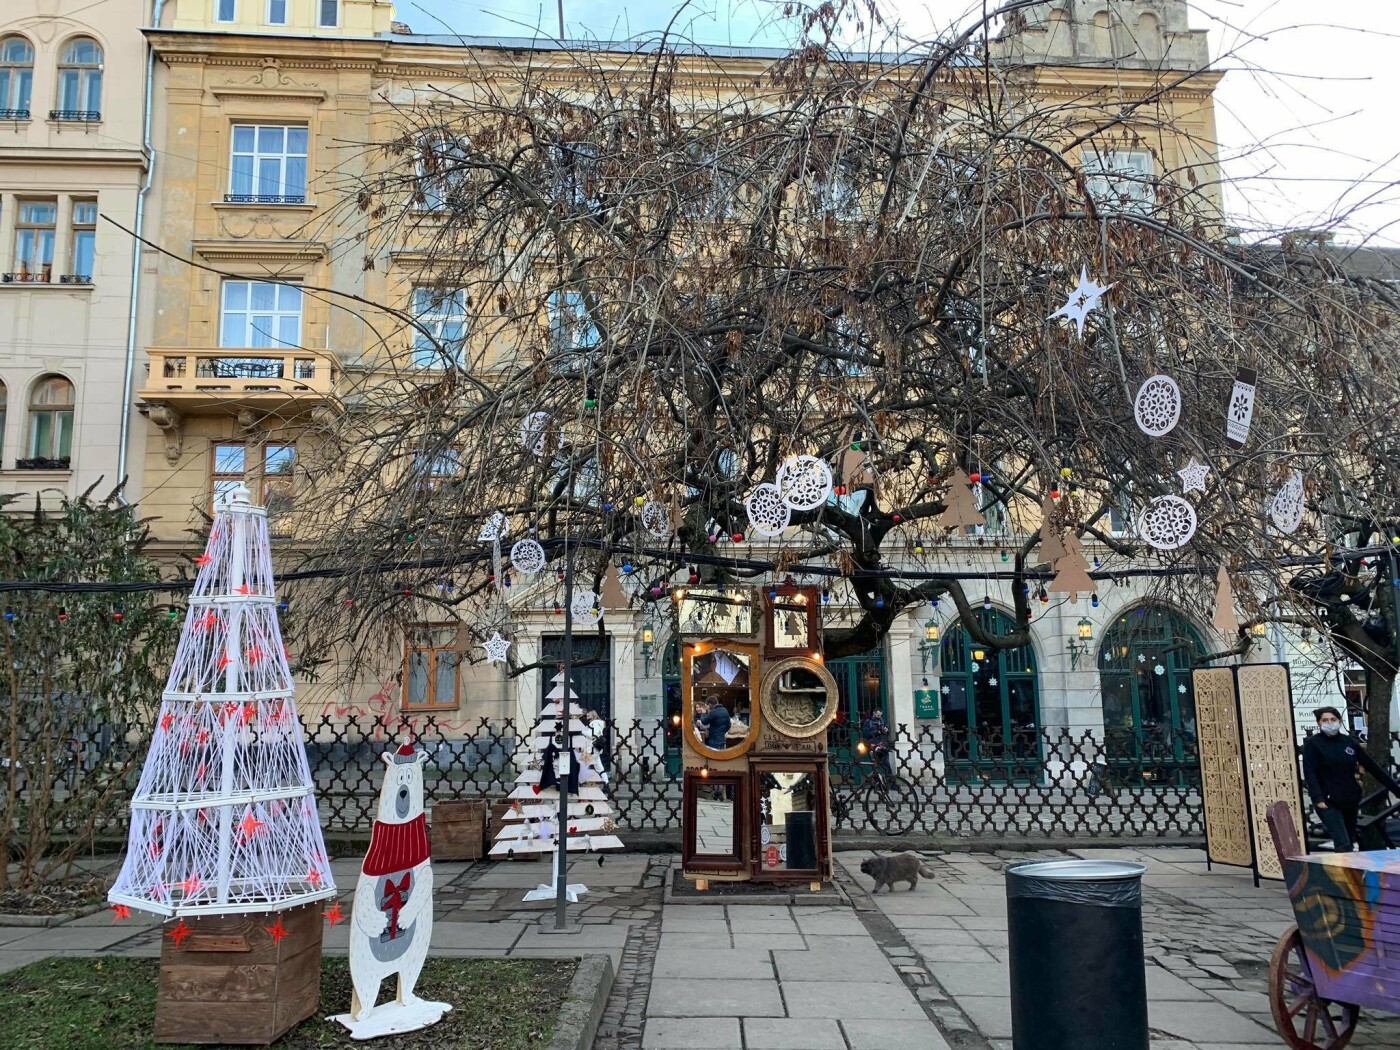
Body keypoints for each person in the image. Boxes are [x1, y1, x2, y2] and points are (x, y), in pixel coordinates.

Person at [1302, 705, 1400, 852]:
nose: (1330, 723)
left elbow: (1372, 767)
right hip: (1327, 800)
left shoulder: (1348, 742)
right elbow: (1310, 772)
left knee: (1349, 838)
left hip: (1349, 798)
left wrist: (1396, 790)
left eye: (1333, 719)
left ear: (1339, 721)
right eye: (1325, 720)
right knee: (1343, 842)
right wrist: (1317, 798)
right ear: (1319, 723)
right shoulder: (1313, 744)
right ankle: (1343, 866)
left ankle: (1349, 865)